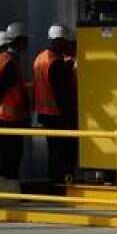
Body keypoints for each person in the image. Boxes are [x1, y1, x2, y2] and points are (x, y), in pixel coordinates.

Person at [34, 24, 78, 184]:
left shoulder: (41, 57)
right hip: (58, 115)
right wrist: (70, 118)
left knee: (53, 151)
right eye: (68, 43)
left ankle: (54, 182)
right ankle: (61, 182)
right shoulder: (55, 63)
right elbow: (61, 94)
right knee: (63, 152)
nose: (69, 47)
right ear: (60, 42)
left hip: (44, 113)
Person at [0, 29, 29, 180]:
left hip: (4, 116)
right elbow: (1, 91)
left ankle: (9, 185)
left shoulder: (1, 62)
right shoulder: (8, 63)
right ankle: (11, 186)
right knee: (12, 159)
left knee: (7, 158)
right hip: (11, 118)